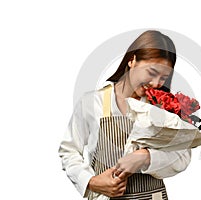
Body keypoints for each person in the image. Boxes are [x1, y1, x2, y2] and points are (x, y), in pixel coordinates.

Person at [58, 30, 191, 200]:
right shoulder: (92, 102)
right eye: (151, 72)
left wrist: (146, 157)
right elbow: (69, 151)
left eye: (163, 77)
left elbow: (183, 155)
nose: (156, 83)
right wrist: (91, 181)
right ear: (132, 60)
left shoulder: (162, 106)